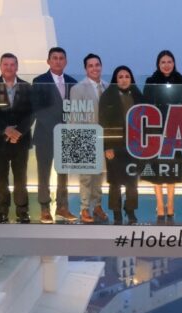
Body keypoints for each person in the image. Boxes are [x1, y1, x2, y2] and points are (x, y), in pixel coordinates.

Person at [0, 53, 34, 224]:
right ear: (0, 66)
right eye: (6, 64)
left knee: (21, 178)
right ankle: (1, 211)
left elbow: (31, 113)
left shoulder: (27, 87)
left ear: (17, 67)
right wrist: (5, 130)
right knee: (0, 178)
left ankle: (22, 211)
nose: (9, 67)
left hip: (20, 140)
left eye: (12, 64)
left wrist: (18, 132)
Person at [32, 47, 78, 223]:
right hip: (45, 134)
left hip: (66, 136)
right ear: (48, 61)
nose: (58, 61)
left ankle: (62, 207)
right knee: (43, 173)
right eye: (55, 58)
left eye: (61, 58)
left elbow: (75, 109)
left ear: (65, 61)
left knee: (63, 174)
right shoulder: (39, 81)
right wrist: (57, 129)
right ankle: (44, 208)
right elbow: (38, 109)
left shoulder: (72, 82)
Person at [143, 50, 182, 224]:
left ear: (174, 63)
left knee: (172, 168)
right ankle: (160, 204)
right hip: (156, 130)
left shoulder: (181, 81)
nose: (166, 65)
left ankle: (171, 204)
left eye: (169, 61)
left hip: (175, 130)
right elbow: (146, 105)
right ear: (158, 64)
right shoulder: (151, 81)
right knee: (156, 169)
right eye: (163, 62)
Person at [99, 65, 144, 225]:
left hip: (134, 146)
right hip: (114, 145)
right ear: (115, 80)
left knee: (132, 182)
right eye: (120, 77)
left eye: (127, 76)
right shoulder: (107, 96)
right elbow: (103, 123)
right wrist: (106, 147)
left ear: (131, 79)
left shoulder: (138, 95)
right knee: (115, 182)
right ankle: (116, 212)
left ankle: (130, 210)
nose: (124, 80)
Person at [69, 53, 109, 224]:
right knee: (86, 176)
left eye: (97, 65)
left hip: (104, 138)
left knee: (99, 175)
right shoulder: (78, 88)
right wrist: (78, 141)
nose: (94, 68)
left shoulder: (108, 86)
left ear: (101, 66)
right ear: (86, 69)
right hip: (86, 137)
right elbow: (74, 116)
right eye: (91, 66)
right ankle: (84, 208)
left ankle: (97, 206)